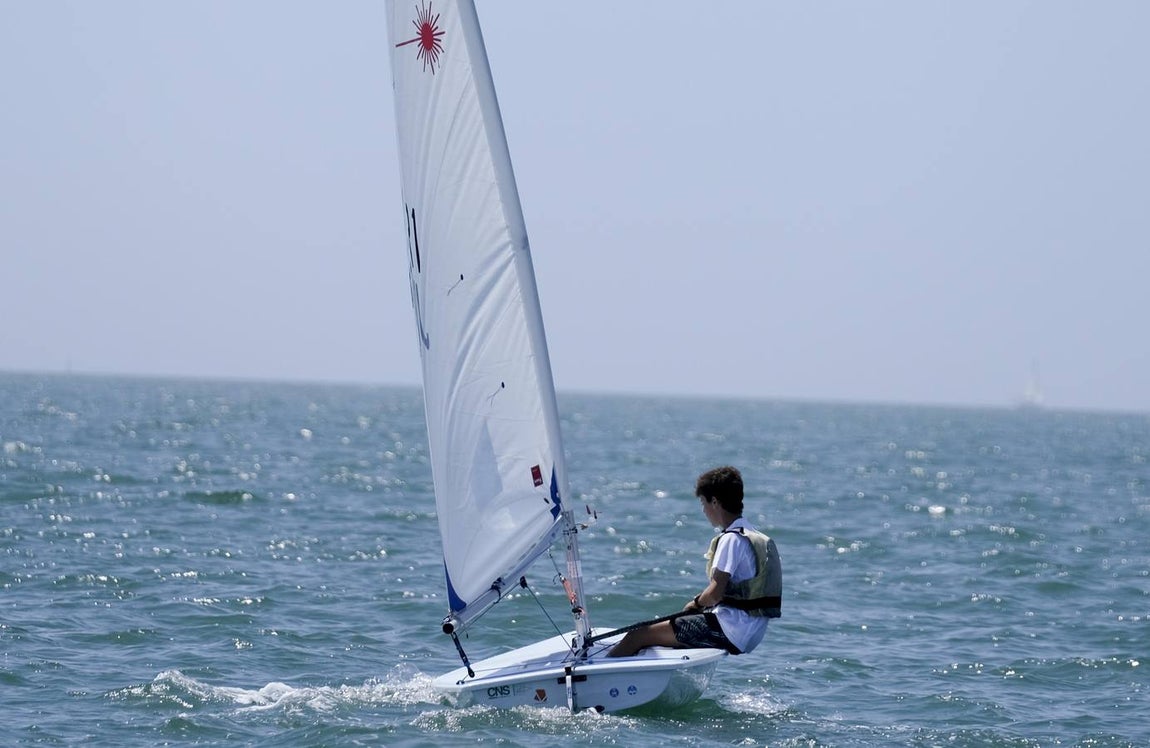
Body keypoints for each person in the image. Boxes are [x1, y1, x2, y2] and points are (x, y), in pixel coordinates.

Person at [607, 465, 781, 657]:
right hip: (751, 632)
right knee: (661, 641)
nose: (704, 510)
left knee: (637, 636)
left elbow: (715, 594)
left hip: (730, 629)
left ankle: (600, 681)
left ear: (714, 502)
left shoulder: (731, 539)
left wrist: (696, 604)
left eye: (703, 502)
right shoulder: (751, 534)